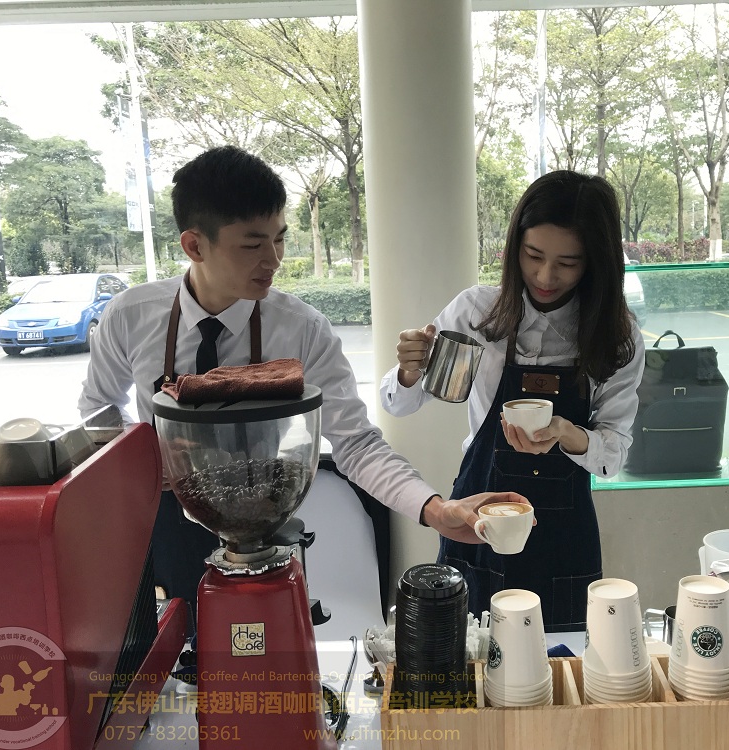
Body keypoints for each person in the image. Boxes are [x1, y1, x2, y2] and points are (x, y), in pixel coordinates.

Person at [78, 145, 525, 615]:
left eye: (280, 239)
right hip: (162, 523)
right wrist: (152, 454)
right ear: (194, 246)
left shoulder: (302, 329)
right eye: (252, 245)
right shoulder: (130, 315)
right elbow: (97, 411)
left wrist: (434, 509)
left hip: (264, 534)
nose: (274, 259)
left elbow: (356, 443)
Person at [379, 170, 645, 632]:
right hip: (477, 516)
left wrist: (568, 434)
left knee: (562, 660)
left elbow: (614, 454)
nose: (545, 276)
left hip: (563, 534)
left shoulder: (614, 335)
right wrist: (408, 371)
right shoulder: (476, 313)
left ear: (596, 262)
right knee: (465, 655)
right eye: (533, 255)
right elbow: (399, 405)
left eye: (568, 262)